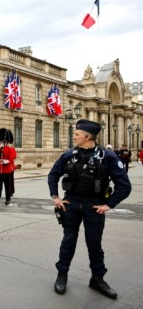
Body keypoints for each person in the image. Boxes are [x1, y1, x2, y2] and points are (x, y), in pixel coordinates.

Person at [48, 119, 131, 299]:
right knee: (68, 241)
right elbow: (53, 174)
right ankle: (62, 275)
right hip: (71, 204)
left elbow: (124, 186)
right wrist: (55, 197)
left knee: (94, 244)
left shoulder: (108, 156)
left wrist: (108, 205)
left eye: (77, 134)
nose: (74, 136)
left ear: (88, 136)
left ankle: (98, 279)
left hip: (93, 206)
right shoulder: (69, 155)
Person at [0, 128, 16, 205]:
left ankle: (8, 198)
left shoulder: (10, 149)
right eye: (0, 141)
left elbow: (12, 157)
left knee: (7, 185)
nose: (1, 142)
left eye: (2, 141)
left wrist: (7, 161)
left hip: (7, 169)